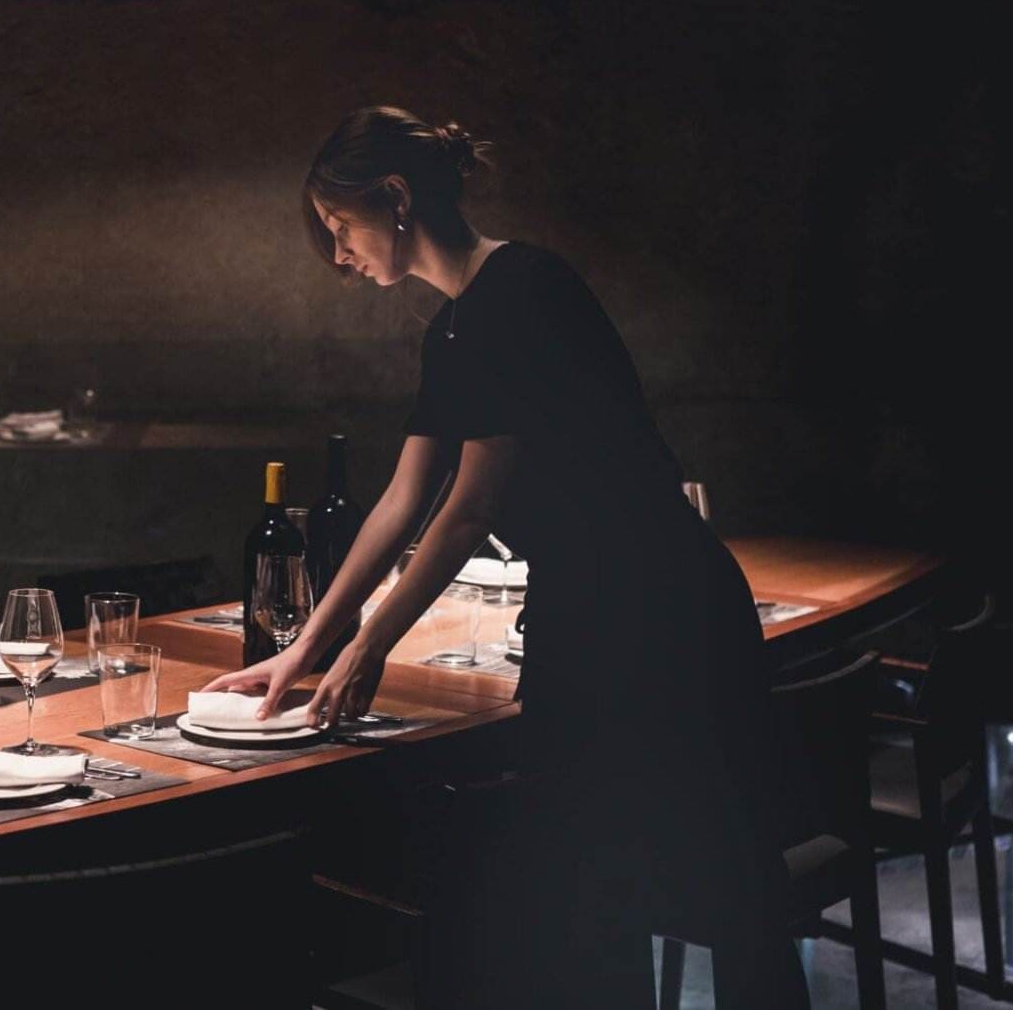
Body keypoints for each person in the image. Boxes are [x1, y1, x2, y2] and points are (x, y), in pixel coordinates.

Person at [201, 106, 808, 1008]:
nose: (338, 255)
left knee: (729, 898)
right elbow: (401, 505)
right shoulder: (449, 328)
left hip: (660, 612)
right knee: (599, 898)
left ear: (396, 198)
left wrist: (368, 650)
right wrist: (307, 648)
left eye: (341, 227)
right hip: (593, 615)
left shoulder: (522, 288)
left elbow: (463, 510)